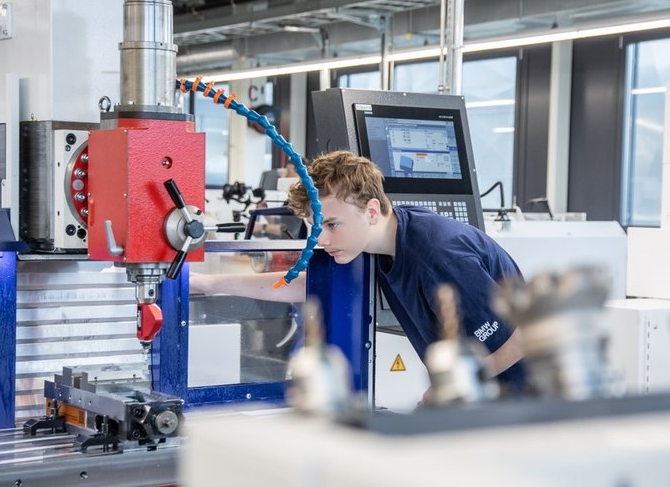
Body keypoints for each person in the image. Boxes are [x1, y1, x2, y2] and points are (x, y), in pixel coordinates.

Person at [190, 150, 525, 382]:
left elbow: (518, 341)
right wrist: (209, 284)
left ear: (372, 211)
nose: (320, 239)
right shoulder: (372, 241)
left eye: (331, 224)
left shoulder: (439, 255)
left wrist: (451, 390)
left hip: (518, 398)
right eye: (314, 226)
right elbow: (304, 284)